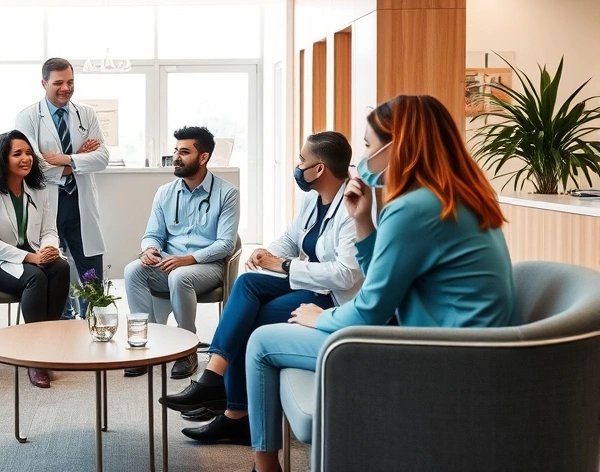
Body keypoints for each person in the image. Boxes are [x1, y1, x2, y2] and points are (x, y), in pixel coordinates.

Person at [244, 95, 516, 472]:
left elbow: (372, 309)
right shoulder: (456, 196)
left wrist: (318, 317)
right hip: (467, 352)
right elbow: (384, 282)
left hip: (436, 357)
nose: (364, 159)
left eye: (370, 146)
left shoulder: (414, 209)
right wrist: (363, 223)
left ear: (397, 147)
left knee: (260, 342)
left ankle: (265, 467)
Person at [160, 131, 363, 444]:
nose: (298, 166)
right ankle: (217, 385)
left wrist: (282, 265)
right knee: (248, 283)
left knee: (249, 320)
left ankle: (231, 408)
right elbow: (292, 239)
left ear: (319, 169)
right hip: (308, 283)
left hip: (332, 299)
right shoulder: (313, 199)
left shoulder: (351, 209)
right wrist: (267, 252)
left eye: (302, 161)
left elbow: (345, 275)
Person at [124, 126, 241, 380]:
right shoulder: (165, 192)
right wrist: (150, 250)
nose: (176, 157)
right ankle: (143, 343)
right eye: (176, 150)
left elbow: (225, 244)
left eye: (184, 152)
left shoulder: (227, 194)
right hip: (169, 262)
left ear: (203, 157)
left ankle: (186, 349)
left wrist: (187, 260)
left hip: (207, 266)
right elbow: (152, 234)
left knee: (180, 276)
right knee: (133, 270)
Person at [0, 130, 72, 389]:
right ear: (2, 159)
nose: (26, 158)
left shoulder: (38, 190)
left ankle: (49, 344)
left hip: (33, 256)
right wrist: (32, 257)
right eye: (18, 154)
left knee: (61, 267)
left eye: (28, 153)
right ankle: (34, 358)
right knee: (35, 278)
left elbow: (49, 230)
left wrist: (49, 249)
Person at [15, 57, 108, 319]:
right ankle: (61, 321)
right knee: (53, 264)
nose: (65, 88)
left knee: (90, 266)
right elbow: (32, 165)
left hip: (80, 200)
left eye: (70, 82)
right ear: (44, 83)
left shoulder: (86, 114)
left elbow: (102, 158)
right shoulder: (27, 117)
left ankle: (94, 320)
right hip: (47, 201)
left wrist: (65, 159)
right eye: (58, 83)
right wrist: (78, 159)